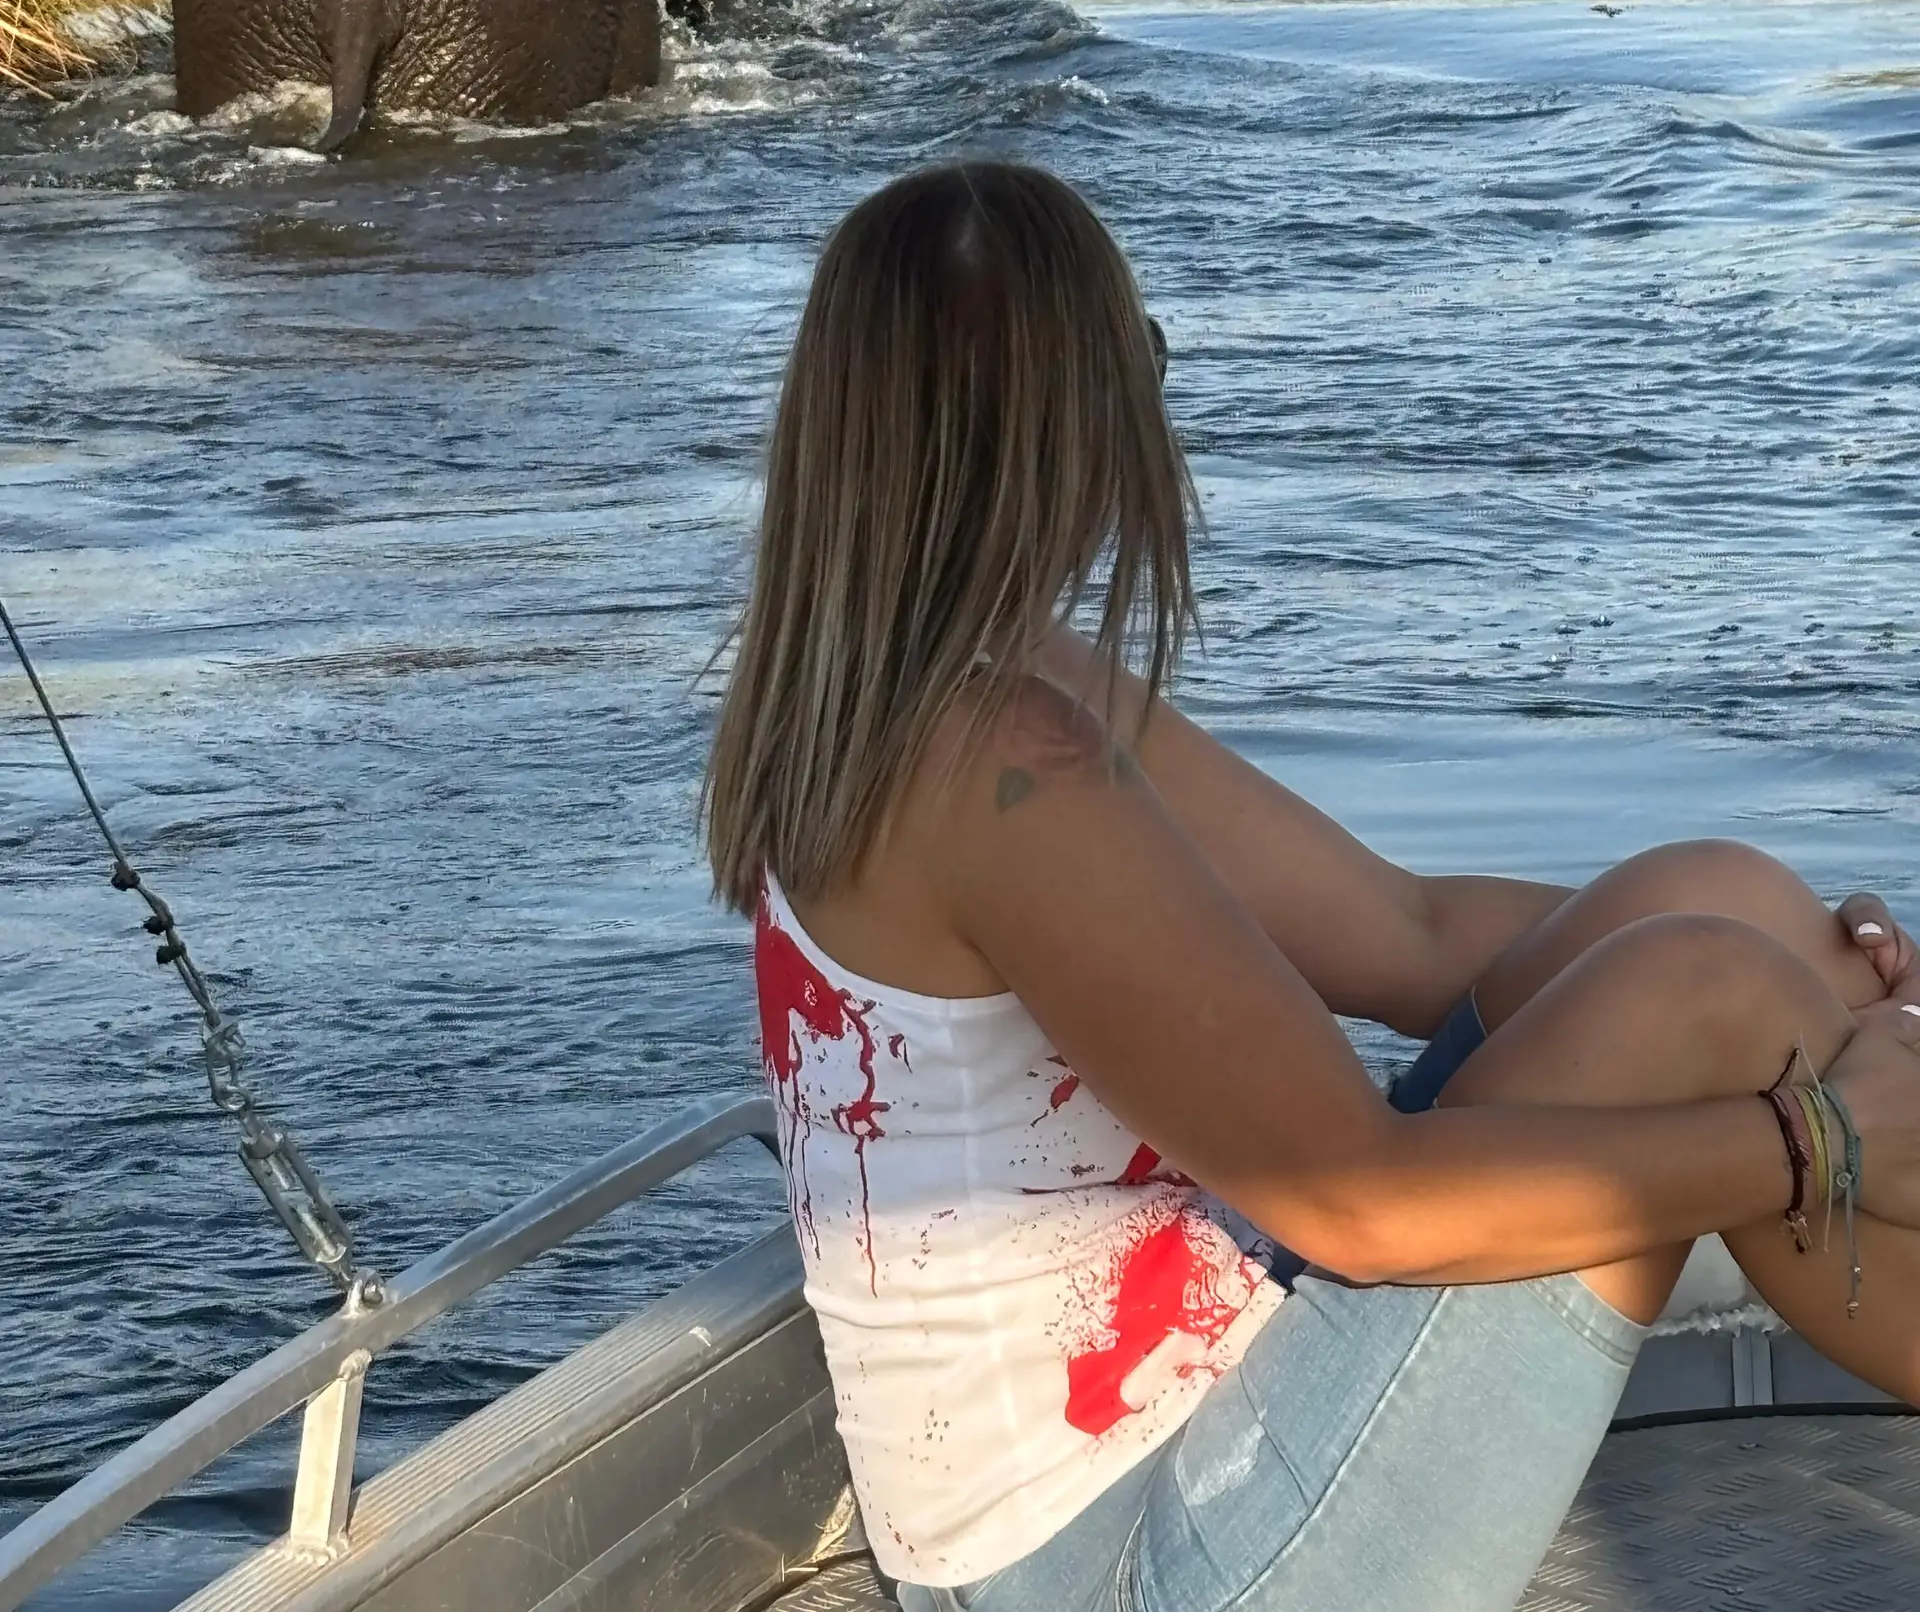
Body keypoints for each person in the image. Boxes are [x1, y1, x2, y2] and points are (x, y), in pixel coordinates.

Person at [703, 159, 1920, 1612]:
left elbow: (1405, 936)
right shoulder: (998, 773)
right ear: (1065, 416)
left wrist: (1791, 945)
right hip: (1125, 1563)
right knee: (1708, 994)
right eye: (1139, 362)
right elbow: (1360, 1207)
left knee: (1725, 906)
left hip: (1227, 1378)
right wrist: (1812, 1139)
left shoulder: (973, 695)